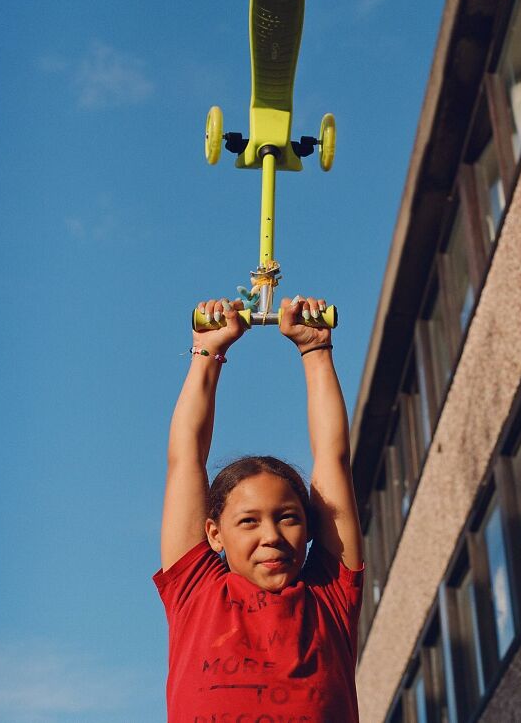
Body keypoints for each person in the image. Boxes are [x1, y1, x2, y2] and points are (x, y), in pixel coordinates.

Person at [154, 295, 364, 723]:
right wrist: (207, 353)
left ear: (308, 528)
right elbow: (186, 457)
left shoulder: (331, 595)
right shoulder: (195, 590)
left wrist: (316, 351)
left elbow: (332, 457)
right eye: (248, 521)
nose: (270, 535)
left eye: (288, 517)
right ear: (214, 533)